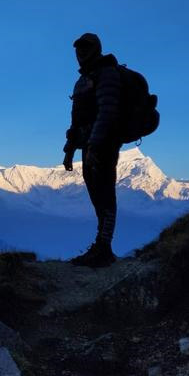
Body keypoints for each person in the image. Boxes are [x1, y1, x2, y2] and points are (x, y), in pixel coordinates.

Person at [62, 32, 122, 268]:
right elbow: (76, 120)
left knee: (105, 192)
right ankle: (100, 245)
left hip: (103, 144)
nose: (80, 53)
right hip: (89, 145)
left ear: (96, 49)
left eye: (85, 48)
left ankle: (104, 247)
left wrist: (96, 144)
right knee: (98, 194)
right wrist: (70, 150)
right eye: (78, 49)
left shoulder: (106, 75)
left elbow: (107, 112)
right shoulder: (85, 79)